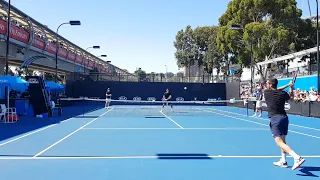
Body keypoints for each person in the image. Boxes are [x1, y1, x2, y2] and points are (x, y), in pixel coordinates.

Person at [264, 78, 305, 170]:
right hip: (284, 118)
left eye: (267, 83)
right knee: (283, 141)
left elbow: (276, 90)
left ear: (270, 84)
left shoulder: (267, 92)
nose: (266, 85)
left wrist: (287, 85)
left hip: (276, 119)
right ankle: (283, 161)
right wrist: (290, 87)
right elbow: (291, 99)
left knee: (279, 143)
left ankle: (297, 157)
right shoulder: (283, 93)